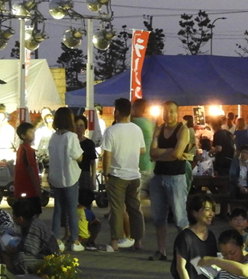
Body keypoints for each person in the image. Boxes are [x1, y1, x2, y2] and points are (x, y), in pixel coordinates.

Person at [101, 98, 146, 252]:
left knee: (117, 209)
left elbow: (106, 155)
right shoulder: (136, 129)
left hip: (117, 175)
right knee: (135, 209)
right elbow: (142, 150)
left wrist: (105, 173)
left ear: (118, 111)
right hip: (134, 174)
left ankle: (115, 241)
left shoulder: (111, 131)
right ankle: (138, 240)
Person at [149, 100, 190, 262]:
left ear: (177, 112)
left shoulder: (183, 130)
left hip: (176, 178)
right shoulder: (159, 130)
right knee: (159, 217)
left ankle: (185, 252)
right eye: (165, 111)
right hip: (158, 177)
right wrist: (170, 153)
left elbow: (178, 153)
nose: (168, 114)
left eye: (172, 111)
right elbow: (152, 153)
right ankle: (161, 250)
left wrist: (164, 154)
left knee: (180, 218)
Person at [168, 193, 219, 279]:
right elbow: (181, 267)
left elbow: (210, 265)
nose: (211, 214)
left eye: (212, 210)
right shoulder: (185, 237)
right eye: (206, 209)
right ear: (195, 213)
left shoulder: (211, 236)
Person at [47, 107, 84, 252]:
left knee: (58, 209)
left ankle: (55, 239)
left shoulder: (53, 137)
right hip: (70, 177)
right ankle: (75, 240)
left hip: (56, 178)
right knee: (72, 209)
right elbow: (79, 156)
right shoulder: (71, 137)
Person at [2, 197, 61, 275]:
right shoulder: (28, 225)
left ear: (20, 219)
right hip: (41, 256)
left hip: (49, 259)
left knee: (21, 258)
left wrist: (14, 250)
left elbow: (30, 250)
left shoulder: (34, 226)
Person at [13, 121, 43, 217]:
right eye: (30, 132)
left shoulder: (22, 149)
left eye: (33, 132)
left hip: (24, 188)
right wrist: (37, 186)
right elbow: (29, 168)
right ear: (23, 135)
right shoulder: (27, 150)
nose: (33, 134)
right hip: (29, 188)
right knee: (33, 213)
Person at [74, 114, 98, 202]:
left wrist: (93, 178)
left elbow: (93, 162)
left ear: (85, 127)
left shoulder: (89, 143)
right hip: (72, 174)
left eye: (81, 125)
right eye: (76, 125)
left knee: (85, 200)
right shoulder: (70, 143)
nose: (79, 128)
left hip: (85, 175)